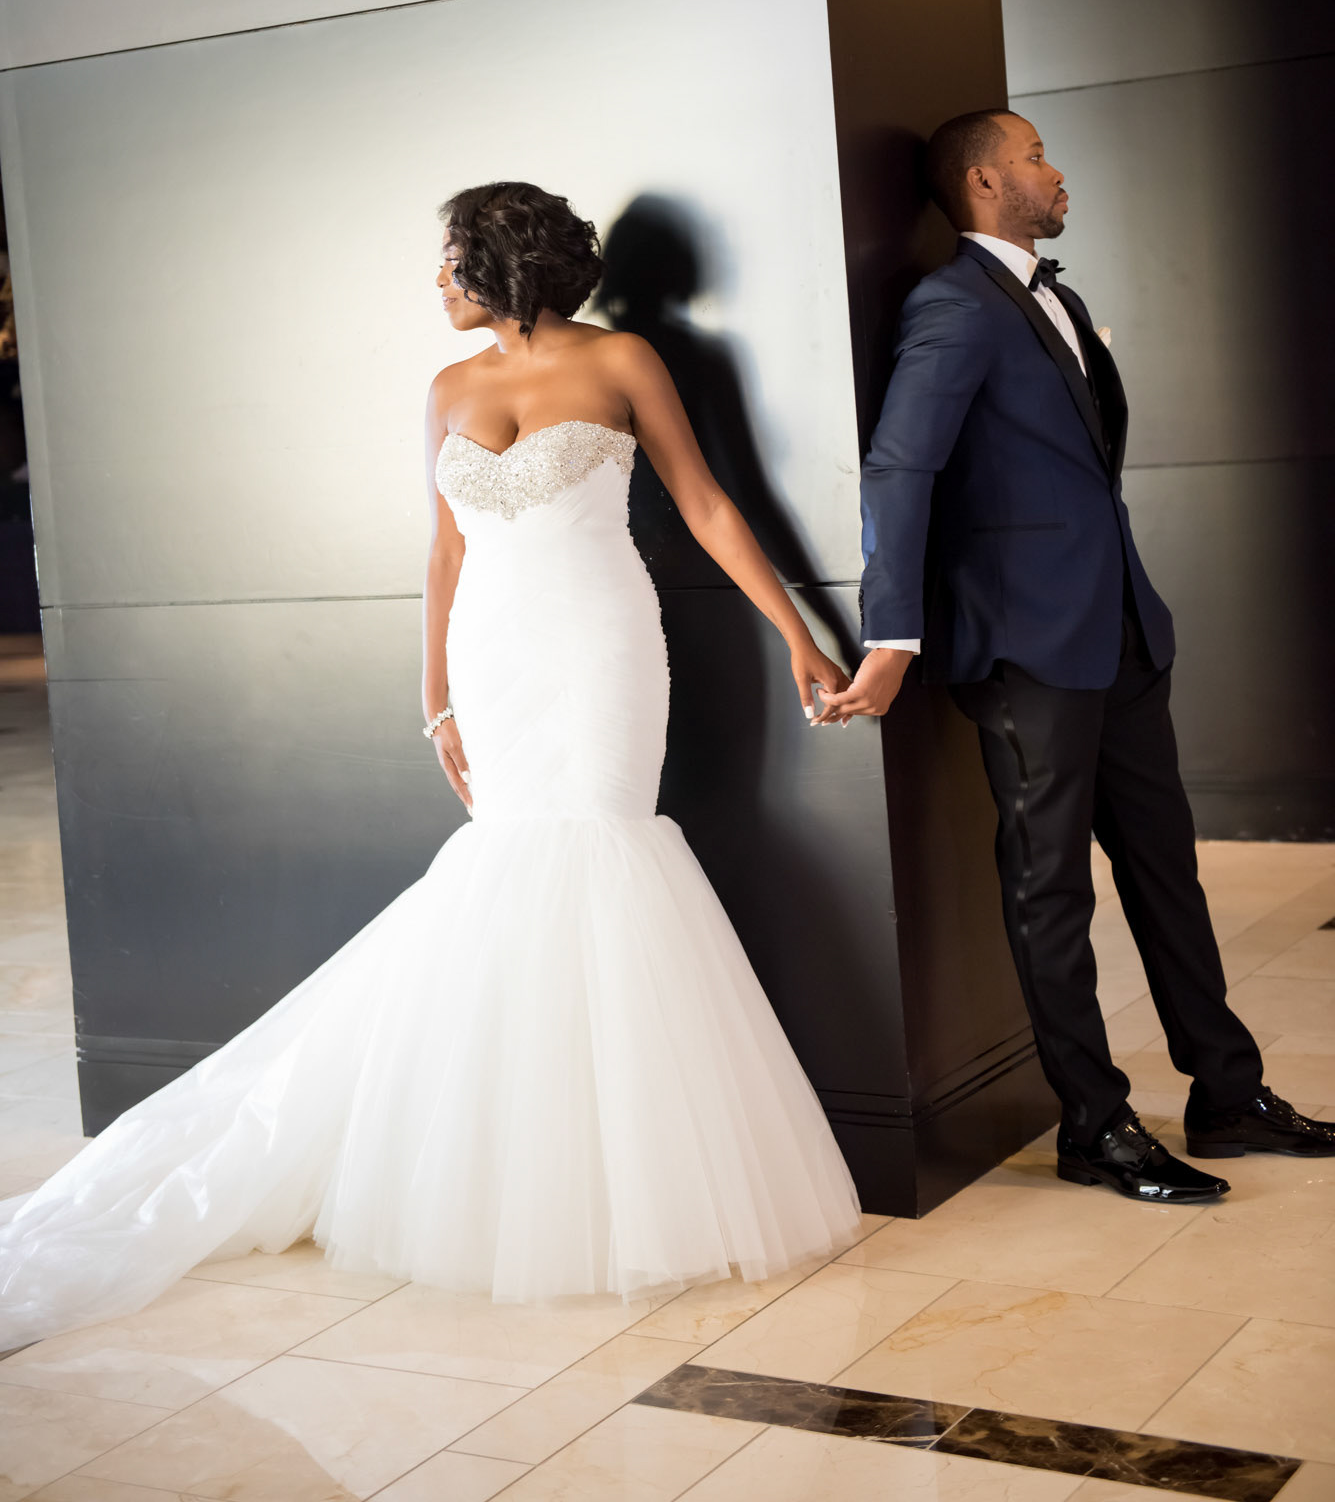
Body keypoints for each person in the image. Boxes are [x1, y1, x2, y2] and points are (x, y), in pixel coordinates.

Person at [0, 182, 861, 1347]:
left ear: (500, 263)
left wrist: (800, 633)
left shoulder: (622, 361)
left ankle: (622, 1188)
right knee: (509, 872)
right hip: (495, 659)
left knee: (604, 858)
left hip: (600, 644)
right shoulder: (447, 387)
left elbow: (707, 503)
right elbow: (444, 546)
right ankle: (509, 1170)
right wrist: (434, 695)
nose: (436, 281)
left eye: (448, 259)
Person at [819, 110, 1335, 1200]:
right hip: (1025, 647)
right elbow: (899, 472)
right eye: (1038, 154)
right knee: (1049, 885)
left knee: (1166, 868)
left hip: (1120, 631)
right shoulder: (953, 307)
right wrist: (894, 635)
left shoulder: (1057, 296)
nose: (1058, 172)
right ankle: (1094, 1125)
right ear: (985, 181)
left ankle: (1227, 1092)